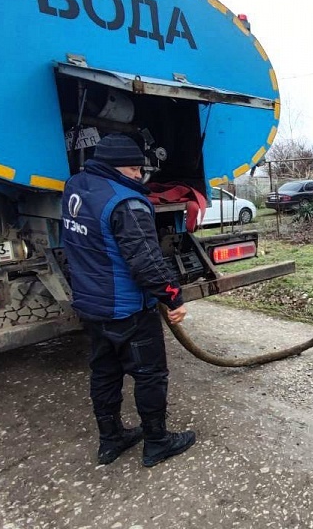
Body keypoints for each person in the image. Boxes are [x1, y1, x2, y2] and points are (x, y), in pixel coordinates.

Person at [61, 133, 196, 467]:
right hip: (127, 309)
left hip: (90, 305)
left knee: (104, 372)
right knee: (150, 374)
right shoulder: (127, 204)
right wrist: (173, 297)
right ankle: (157, 442)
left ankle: (111, 440)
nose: (139, 176)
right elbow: (147, 261)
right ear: (116, 167)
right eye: (135, 169)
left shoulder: (76, 186)